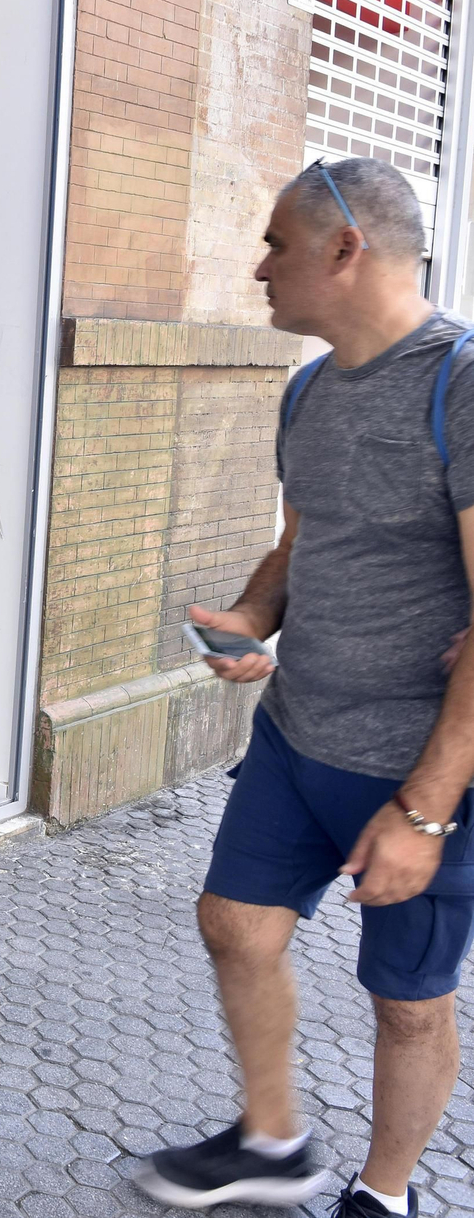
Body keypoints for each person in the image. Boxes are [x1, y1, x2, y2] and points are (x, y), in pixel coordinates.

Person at [135, 157, 474, 1217]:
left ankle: (383, 1192)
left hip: (419, 770)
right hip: (296, 735)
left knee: (407, 1002)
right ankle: (274, 1142)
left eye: (276, 244)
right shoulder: (310, 387)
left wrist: (424, 811)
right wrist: (251, 619)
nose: (257, 268)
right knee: (235, 925)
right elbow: (302, 539)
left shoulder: (458, 385)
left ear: (344, 248)